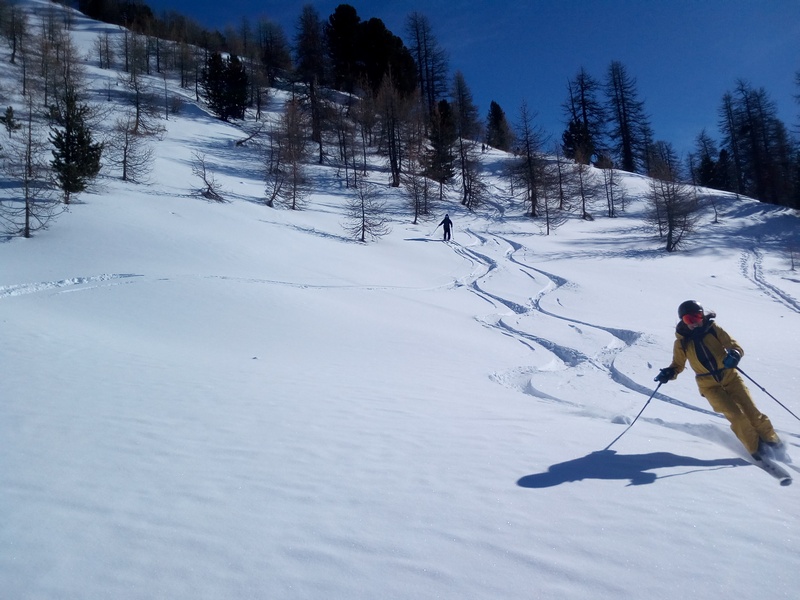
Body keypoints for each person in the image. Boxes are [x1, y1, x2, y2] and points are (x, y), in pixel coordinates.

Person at [655, 300, 786, 462]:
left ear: (702, 316)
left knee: (752, 412)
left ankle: (773, 442)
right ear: (683, 321)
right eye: (689, 319)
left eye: (697, 317)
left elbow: (733, 345)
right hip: (709, 386)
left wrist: (734, 355)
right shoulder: (682, 343)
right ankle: (757, 449)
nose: (694, 322)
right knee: (736, 416)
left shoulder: (713, 329)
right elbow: (677, 365)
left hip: (730, 376)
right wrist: (669, 373)